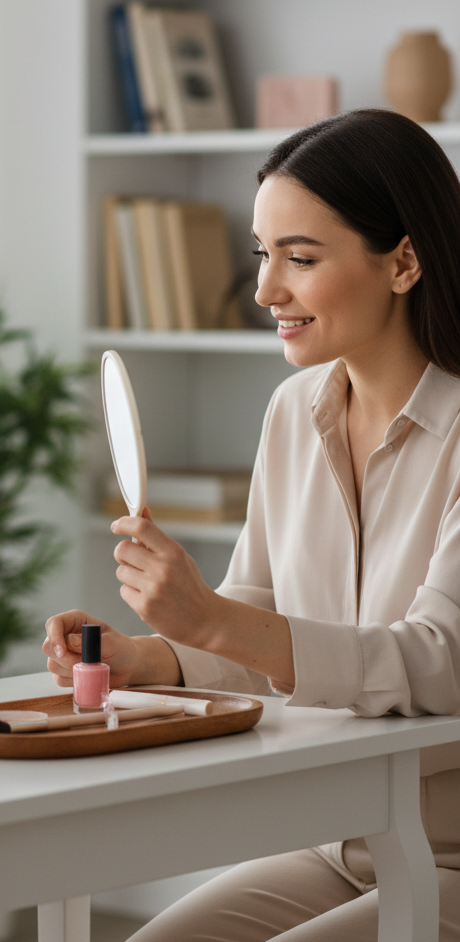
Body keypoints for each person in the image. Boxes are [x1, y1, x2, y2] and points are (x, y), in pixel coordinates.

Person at [44, 109, 460, 941]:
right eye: (263, 253)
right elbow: (253, 613)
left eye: (300, 259)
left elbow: (440, 662)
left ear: (404, 261)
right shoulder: (292, 410)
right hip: (335, 842)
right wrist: (147, 656)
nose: (266, 289)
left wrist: (217, 618)